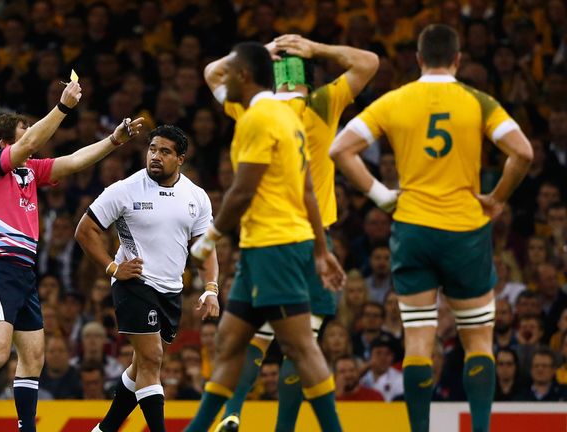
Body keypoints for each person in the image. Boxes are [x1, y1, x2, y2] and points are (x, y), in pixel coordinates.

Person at [330, 24, 534, 432]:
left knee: (419, 342)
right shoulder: (478, 100)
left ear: (419, 60)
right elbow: (523, 153)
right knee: (478, 340)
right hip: (465, 232)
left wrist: (382, 195)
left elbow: (340, 149)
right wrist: (497, 198)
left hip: (413, 231)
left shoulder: (396, 100)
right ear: (458, 60)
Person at [0, 79, 144, 432]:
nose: (31, 136)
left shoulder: (28, 173)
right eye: (23, 130)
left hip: (24, 273)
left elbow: (74, 161)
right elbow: (31, 142)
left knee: (33, 358)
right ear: (5, 143)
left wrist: (114, 141)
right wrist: (63, 108)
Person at [200, 34, 378, 431]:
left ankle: (231, 413)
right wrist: (318, 48)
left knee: (249, 340)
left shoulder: (249, 108)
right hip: (308, 237)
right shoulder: (320, 103)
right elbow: (367, 62)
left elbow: (212, 72)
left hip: (263, 236)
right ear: (309, 79)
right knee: (302, 344)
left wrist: (259, 52)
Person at [75, 124, 219, 432]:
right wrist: (113, 269)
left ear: (180, 158)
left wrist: (211, 288)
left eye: (165, 152)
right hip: (133, 283)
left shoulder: (197, 197)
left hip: (171, 290)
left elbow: (205, 248)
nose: (155, 156)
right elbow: (85, 231)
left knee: (141, 365)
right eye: (152, 149)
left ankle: (105, 429)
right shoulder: (125, 189)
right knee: (153, 359)